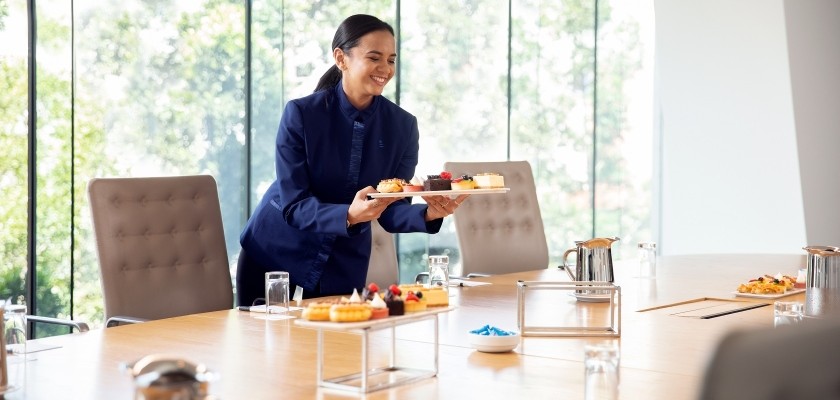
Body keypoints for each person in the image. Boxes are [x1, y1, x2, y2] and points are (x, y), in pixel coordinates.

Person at [237, 14, 468, 306]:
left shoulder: (403, 127)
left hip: (343, 264)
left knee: (337, 349)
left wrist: (430, 214)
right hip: (274, 253)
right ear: (341, 58)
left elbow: (390, 209)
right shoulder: (301, 115)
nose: (385, 69)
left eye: (391, 60)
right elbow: (294, 204)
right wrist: (349, 214)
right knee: (262, 349)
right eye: (374, 57)